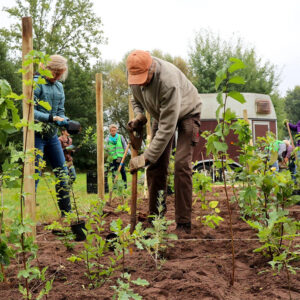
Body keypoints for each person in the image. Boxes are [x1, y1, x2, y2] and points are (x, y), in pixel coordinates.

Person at [126, 50, 202, 234]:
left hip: (187, 112)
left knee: (181, 164)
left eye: (144, 78)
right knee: (156, 166)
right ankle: (155, 219)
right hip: (161, 114)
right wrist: (139, 115)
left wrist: (145, 157)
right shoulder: (134, 72)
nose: (141, 82)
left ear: (151, 66)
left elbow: (168, 128)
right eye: (137, 79)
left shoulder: (168, 82)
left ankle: (183, 224)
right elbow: (135, 98)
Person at [34, 55, 72, 217]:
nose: (57, 78)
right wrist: (51, 118)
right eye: (56, 74)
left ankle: (67, 215)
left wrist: (65, 124)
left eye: (60, 75)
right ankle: (28, 215)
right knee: (34, 174)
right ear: (49, 69)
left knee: (62, 172)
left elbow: (60, 112)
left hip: (51, 136)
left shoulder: (59, 88)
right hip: (35, 135)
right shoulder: (37, 83)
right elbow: (29, 111)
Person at [104, 124, 130, 193]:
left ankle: (125, 186)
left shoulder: (120, 137)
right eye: (112, 131)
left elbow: (125, 146)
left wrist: (126, 154)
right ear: (110, 131)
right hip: (112, 158)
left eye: (114, 130)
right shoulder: (107, 138)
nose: (113, 132)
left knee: (122, 171)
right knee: (114, 172)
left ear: (116, 130)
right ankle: (115, 187)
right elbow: (104, 146)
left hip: (120, 157)